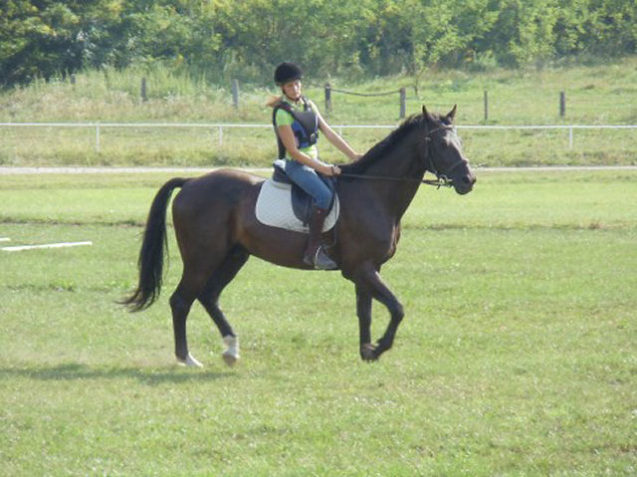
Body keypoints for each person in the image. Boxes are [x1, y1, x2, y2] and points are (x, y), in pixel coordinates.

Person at [269, 62, 361, 270]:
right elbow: (293, 152)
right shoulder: (282, 113)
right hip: (296, 166)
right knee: (324, 196)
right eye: (290, 86)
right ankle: (313, 251)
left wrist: (353, 154)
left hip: (315, 163)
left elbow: (329, 133)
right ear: (282, 88)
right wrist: (324, 169)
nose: (295, 88)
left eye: (297, 84)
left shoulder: (309, 106)